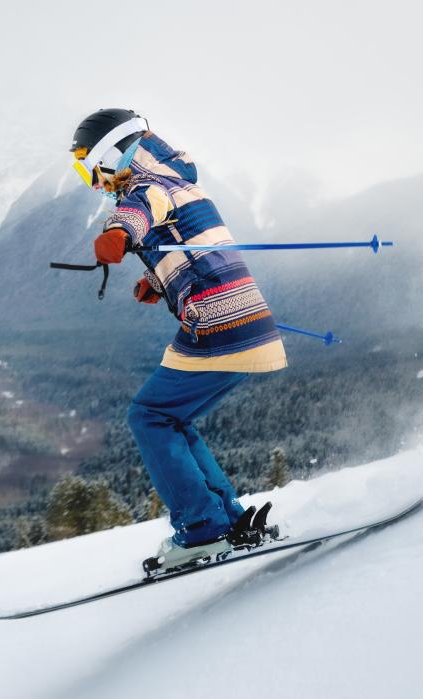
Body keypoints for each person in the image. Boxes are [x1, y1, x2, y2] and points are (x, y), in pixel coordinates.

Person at [69, 108, 287, 572]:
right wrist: (161, 279)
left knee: (148, 416)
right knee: (172, 418)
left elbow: (140, 212)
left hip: (217, 324)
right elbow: (185, 239)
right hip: (247, 321)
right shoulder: (179, 179)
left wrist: (116, 233)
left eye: (88, 164)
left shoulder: (149, 185)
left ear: (110, 152)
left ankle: (203, 527)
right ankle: (224, 518)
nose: (92, 180)